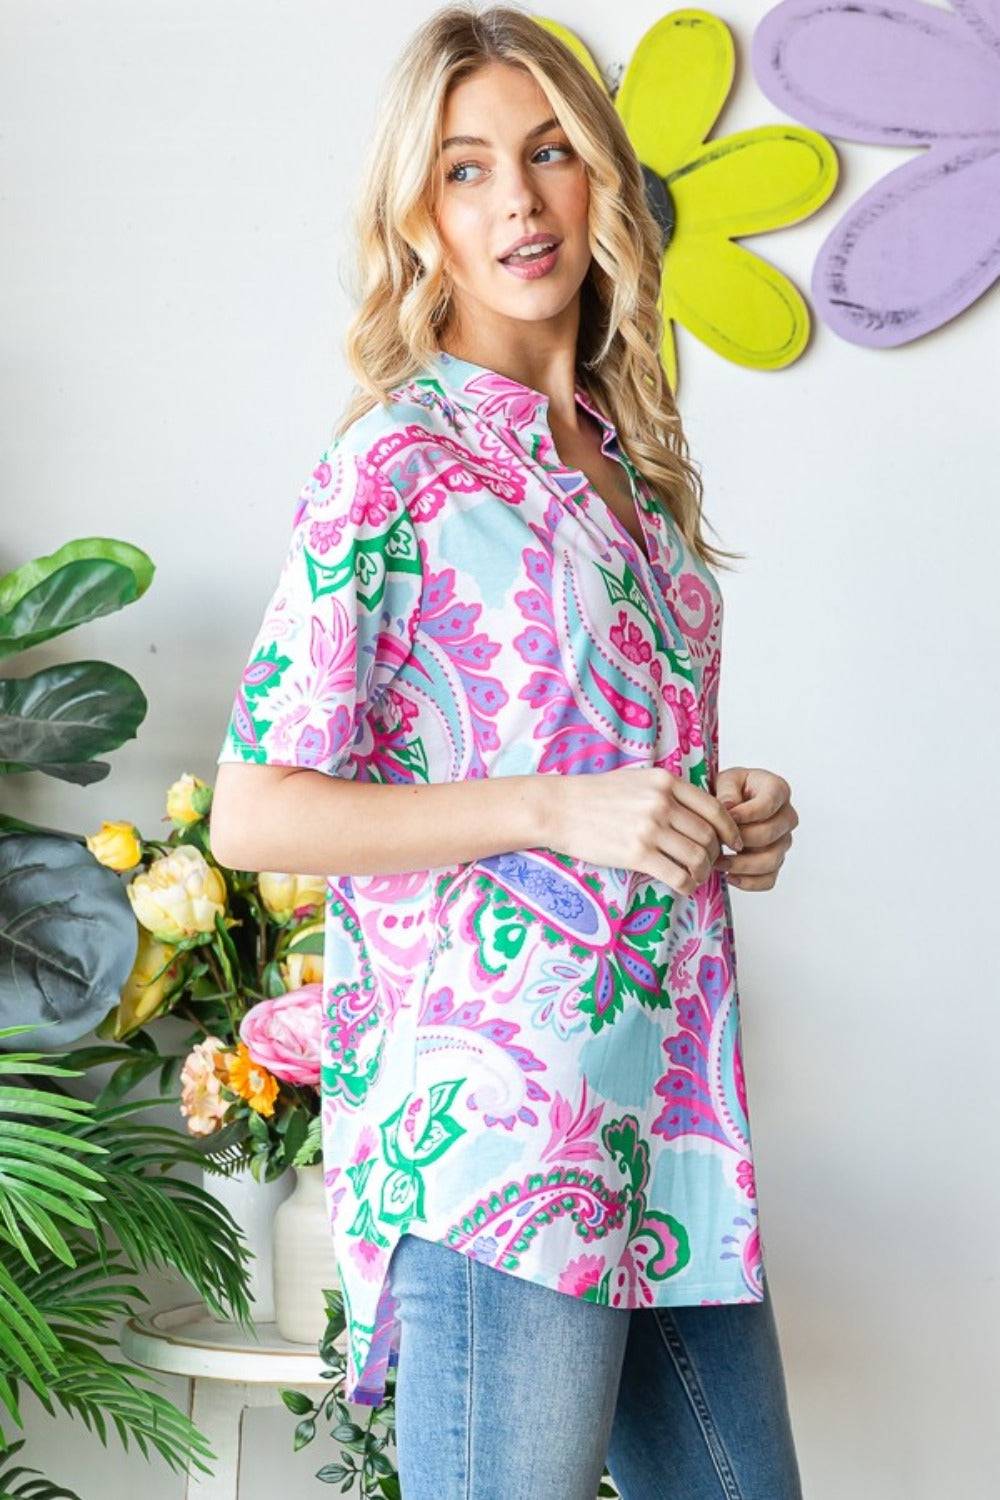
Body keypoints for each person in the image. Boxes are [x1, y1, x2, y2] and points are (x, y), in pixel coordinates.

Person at [210, 4, 802, 1496]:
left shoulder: (634, 465)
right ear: (422, 212)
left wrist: (721, 817)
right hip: (501, 1136)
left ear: (602, 177)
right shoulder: (394, 464)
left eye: (548, 154)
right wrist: (556, 806)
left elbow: (617, 788)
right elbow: (252, 813)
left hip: (668, 1118)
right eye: (467, 169)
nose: (518, 202)